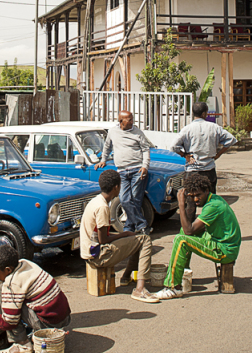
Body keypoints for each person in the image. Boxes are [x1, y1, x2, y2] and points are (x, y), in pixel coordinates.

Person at [0, 245, 71, 353]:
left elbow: (9, 322)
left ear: (8, 269)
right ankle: (48, 331)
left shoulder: (12, 284)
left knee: (10, 309)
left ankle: (22, 345)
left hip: (49, 323)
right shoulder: (24, 263)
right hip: (63, 317)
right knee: (1, 289)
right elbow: (8, 289)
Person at [156, 173, 242, 300]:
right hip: (221, 242)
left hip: (225, 250)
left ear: (207, 190)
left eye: (198, 195)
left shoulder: (213, 206)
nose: (195, 199)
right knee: (182, 232)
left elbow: (189, 231)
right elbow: (188, 229)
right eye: (192, 196)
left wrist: (181, 204)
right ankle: (183, 273)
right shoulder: (214, 199)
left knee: (182, 240)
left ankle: (173, 287)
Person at [80, 169, 160, 303]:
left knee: (137, 240)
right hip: (98, 256)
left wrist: (127, 236)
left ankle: (126, 277)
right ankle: (140, 289)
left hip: (90, 251)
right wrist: (124, 234)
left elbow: (100, 235)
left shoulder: (96, 201)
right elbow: (103, 240)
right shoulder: (103, 208)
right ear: (116, 187)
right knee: (145, 239)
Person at [95, 109, 151, 235]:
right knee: (124, 199)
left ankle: (128, 229)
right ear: (121, 121)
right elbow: (107, 146)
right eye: (129, 120)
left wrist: (145, 166)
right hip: (122, 171)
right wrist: (103, 160)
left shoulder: (138, 132)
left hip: (137, 170)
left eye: (132, 119)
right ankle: (142, 225)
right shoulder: (113, 132)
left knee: (136, 199)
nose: (132, 122)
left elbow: (145, 149)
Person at [170, 101, 237, 194]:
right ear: (204, 114)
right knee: (210, 201)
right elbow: (231, 140)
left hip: (192, 170)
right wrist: (218, 154)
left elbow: (173, 147)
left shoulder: (187, 129)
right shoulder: (214, 127)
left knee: (191, 201)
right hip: (209, 170)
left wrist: (185, 155)